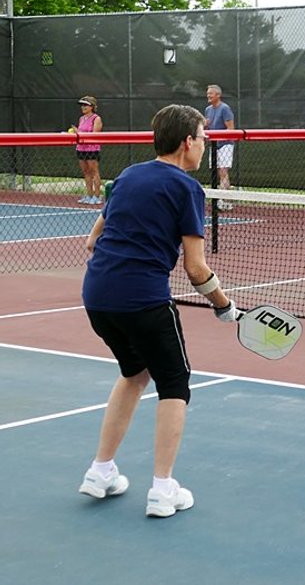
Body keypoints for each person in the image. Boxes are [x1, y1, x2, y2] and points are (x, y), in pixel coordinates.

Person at [78, 104, 240, 518]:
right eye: (203, 138)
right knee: (175, 384)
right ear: (187, 142)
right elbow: (196, 267)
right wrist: (224, 306)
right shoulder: (187, 189)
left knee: (134, 372)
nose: (206, 145)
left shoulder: (129, 175)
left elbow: (93, 238)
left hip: (97, 296)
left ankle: (100, 472)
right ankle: (163, 490)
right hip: (143, 300)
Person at [205, 84, 236, 211]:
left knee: (223, 172)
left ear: (218, 95)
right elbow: (207, 125)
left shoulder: (225, 109)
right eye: (208, 93)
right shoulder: (208, 110)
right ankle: (226, 200)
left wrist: (220, 139)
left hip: (226, 145)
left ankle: (221, 201)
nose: (208, 95)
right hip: (214, 145)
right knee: (218, 173)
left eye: (211, 93)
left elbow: (231, 129)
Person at [74, 96, 103, 205]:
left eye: (85, 105)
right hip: (81, 148)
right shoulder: (81, 119)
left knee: (94, 171)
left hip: (92, 148)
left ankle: (97, 196)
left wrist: (81, 134)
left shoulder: (96, 118)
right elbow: (80, 132)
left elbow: (95, 134)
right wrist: (75, 132)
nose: (83, 107)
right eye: (82, 105)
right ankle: (89, 195)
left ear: (92, 107)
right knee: (86, 172)